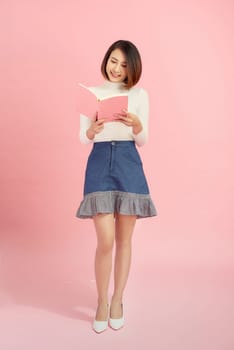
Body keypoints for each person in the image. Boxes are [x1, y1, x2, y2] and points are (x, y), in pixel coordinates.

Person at [76, 40, 157, 333]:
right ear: (106, 59)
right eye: (114, 60)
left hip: (128, 162)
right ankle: (101, 301)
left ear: (132, 68)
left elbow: (143, 139)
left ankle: (117, 300)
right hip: (99, 163)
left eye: (124, 64)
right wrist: (91, 129)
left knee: (125, 239)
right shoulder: (93, 94)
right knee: (105, 240)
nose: (117, 68)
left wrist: (136, 124)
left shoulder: (139, 94)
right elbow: (83, 138)